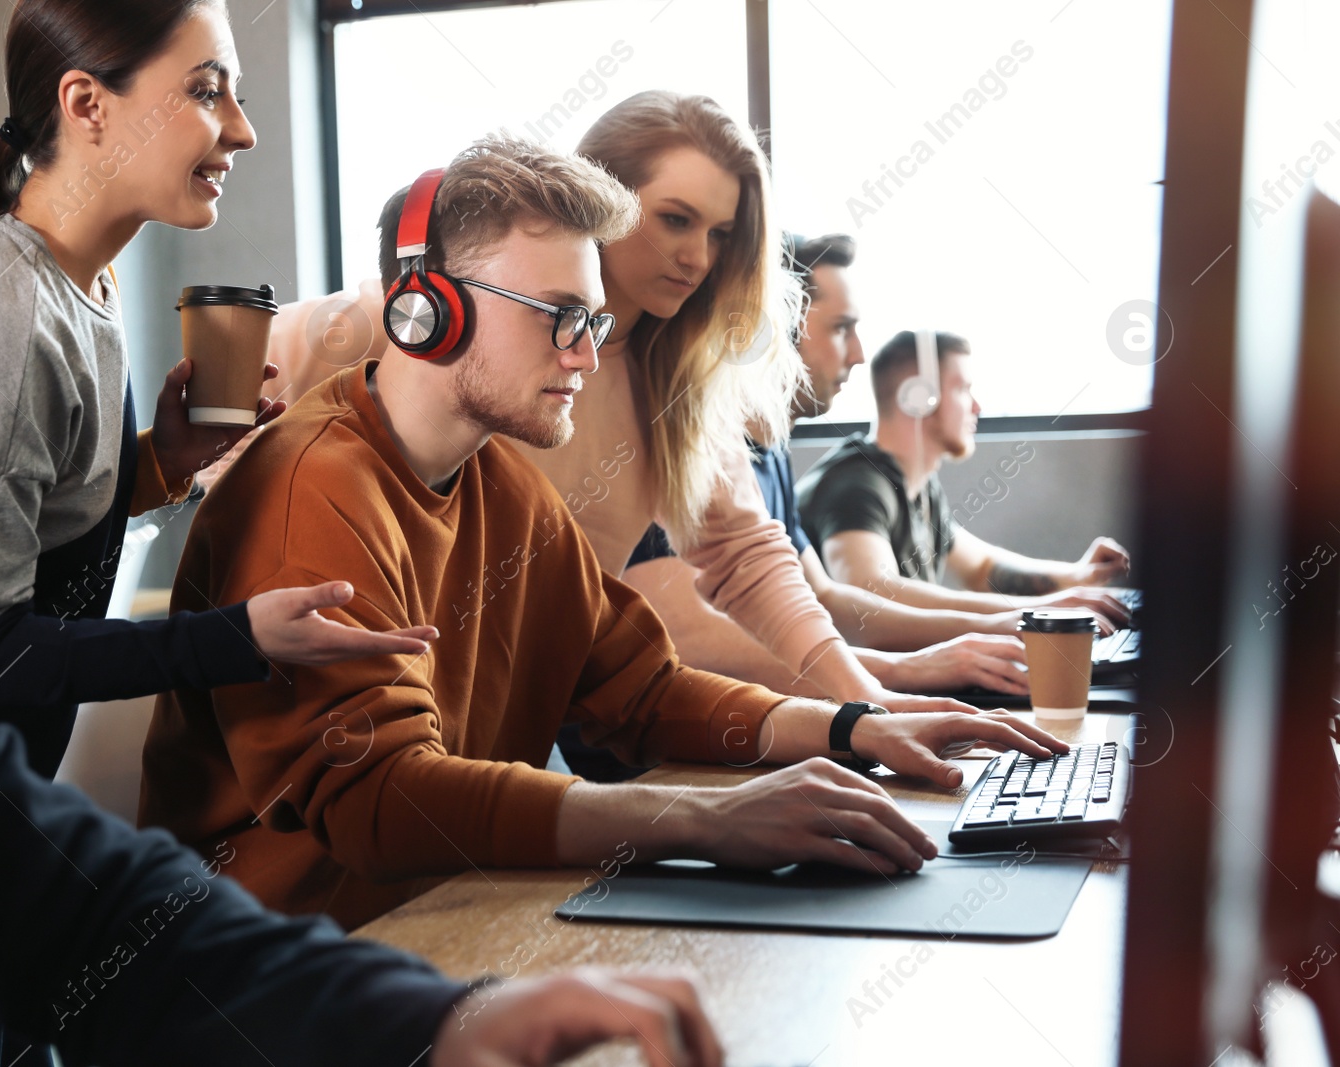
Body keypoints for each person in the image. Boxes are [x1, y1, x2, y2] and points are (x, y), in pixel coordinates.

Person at [0, 103, 729, 1067]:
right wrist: (231, 635)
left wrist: (434, 1020)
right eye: (205, 86)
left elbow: (96, 922)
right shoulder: (3, 315)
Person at [137, 135, 1068, 932]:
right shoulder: (314, 486)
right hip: (289, 986)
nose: (587, 354)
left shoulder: (502, 483)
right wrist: (703, 821)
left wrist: (853, 726)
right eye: (560, 320)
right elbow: (382, 799)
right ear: (425, 309)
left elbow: (642, 689)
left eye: (594, 321)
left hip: (445, 922)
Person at [0, 0, 435, 781]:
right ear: (86, 105)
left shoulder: (83, 284)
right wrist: (234, 638)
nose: (243, 130)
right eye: (207, 91)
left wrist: (160, 461)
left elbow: (26, 523)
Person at [252, 92, 978, 717]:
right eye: (674, 219)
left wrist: (866, 702)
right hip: (358, 703)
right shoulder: (430, 313)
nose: (698, 256)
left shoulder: (678, 382)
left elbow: (750, 559)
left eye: (721, 234)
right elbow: (244, 387)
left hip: (503, 720)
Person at [619, 234, 1130, 704]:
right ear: (763, 327)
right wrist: (911, 668)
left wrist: (1056, 596)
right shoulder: (846, 480)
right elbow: (864, 594)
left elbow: (829, 596)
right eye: (841, 330)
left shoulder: (771, 454)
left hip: (768, 708)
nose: (858, 355)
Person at [796, 328, 1133, 608]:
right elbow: (869, 593)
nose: (977, 406)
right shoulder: (858, 486)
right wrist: (1040, 610)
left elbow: (982, 568)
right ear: (917, 396)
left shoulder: (918, 488)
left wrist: (1081, 577)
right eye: (962, 389)